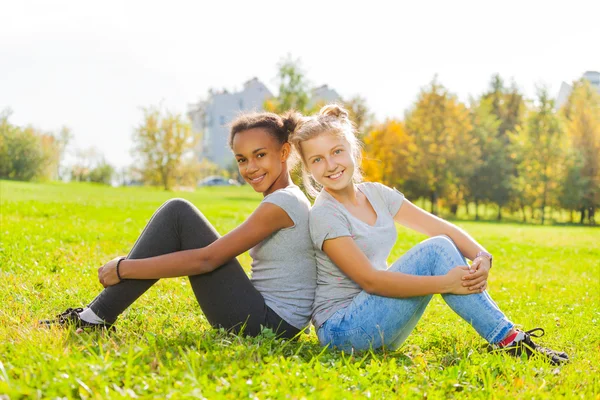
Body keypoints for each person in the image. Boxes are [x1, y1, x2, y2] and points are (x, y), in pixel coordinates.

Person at [288, 104, 568, 364]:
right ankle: (510, 341)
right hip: (343, 332)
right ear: (309, 169)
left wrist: (482, 255)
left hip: (378, 322)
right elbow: (371, 281)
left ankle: (508, 339)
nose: (331, 165)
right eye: (317, 160)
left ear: (353, 151)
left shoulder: (376, 194)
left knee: (441, 242)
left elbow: (440, 227)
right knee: (435, 250)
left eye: (337, 151)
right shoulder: (325, 214)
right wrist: (444, 283)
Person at [41, 111, 316, 339]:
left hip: (267, 325)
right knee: (178, 213)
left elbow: (207, 260)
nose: (250, 168)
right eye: (242, 159)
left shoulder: (283, 204)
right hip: (271, 319)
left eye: (260, 155)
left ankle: (94, 317)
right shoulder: (286, 199)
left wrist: (123, 268)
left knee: (178, 213)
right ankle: (95, 315)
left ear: (284, 152)